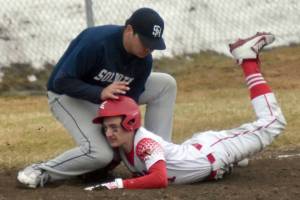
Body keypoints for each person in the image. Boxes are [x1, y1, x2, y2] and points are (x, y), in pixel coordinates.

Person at [84, 32, 287, 190]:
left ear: (130, 123)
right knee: (218, 160)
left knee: (273, 123)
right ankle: (234, 158)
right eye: (106, 128)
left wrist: (118, 184)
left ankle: (248, 60)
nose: (108, 133)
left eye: (112, 127)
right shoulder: (122, 145)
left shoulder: (145, 143)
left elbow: (159, 179)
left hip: (215, 151)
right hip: (200, 153)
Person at [17, 7, 177, 188]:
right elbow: (60, 81)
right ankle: (41, 170)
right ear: (129, 30)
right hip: (68, 94)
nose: (148, 49)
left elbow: (129, 105)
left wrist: (124, 138)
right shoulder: (96, 42)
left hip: (108, 96)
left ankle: (157, 157)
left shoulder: (144, 60)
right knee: (101, 154)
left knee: (166, 84)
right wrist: (99, 93)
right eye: (145, 41)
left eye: (153, 44)